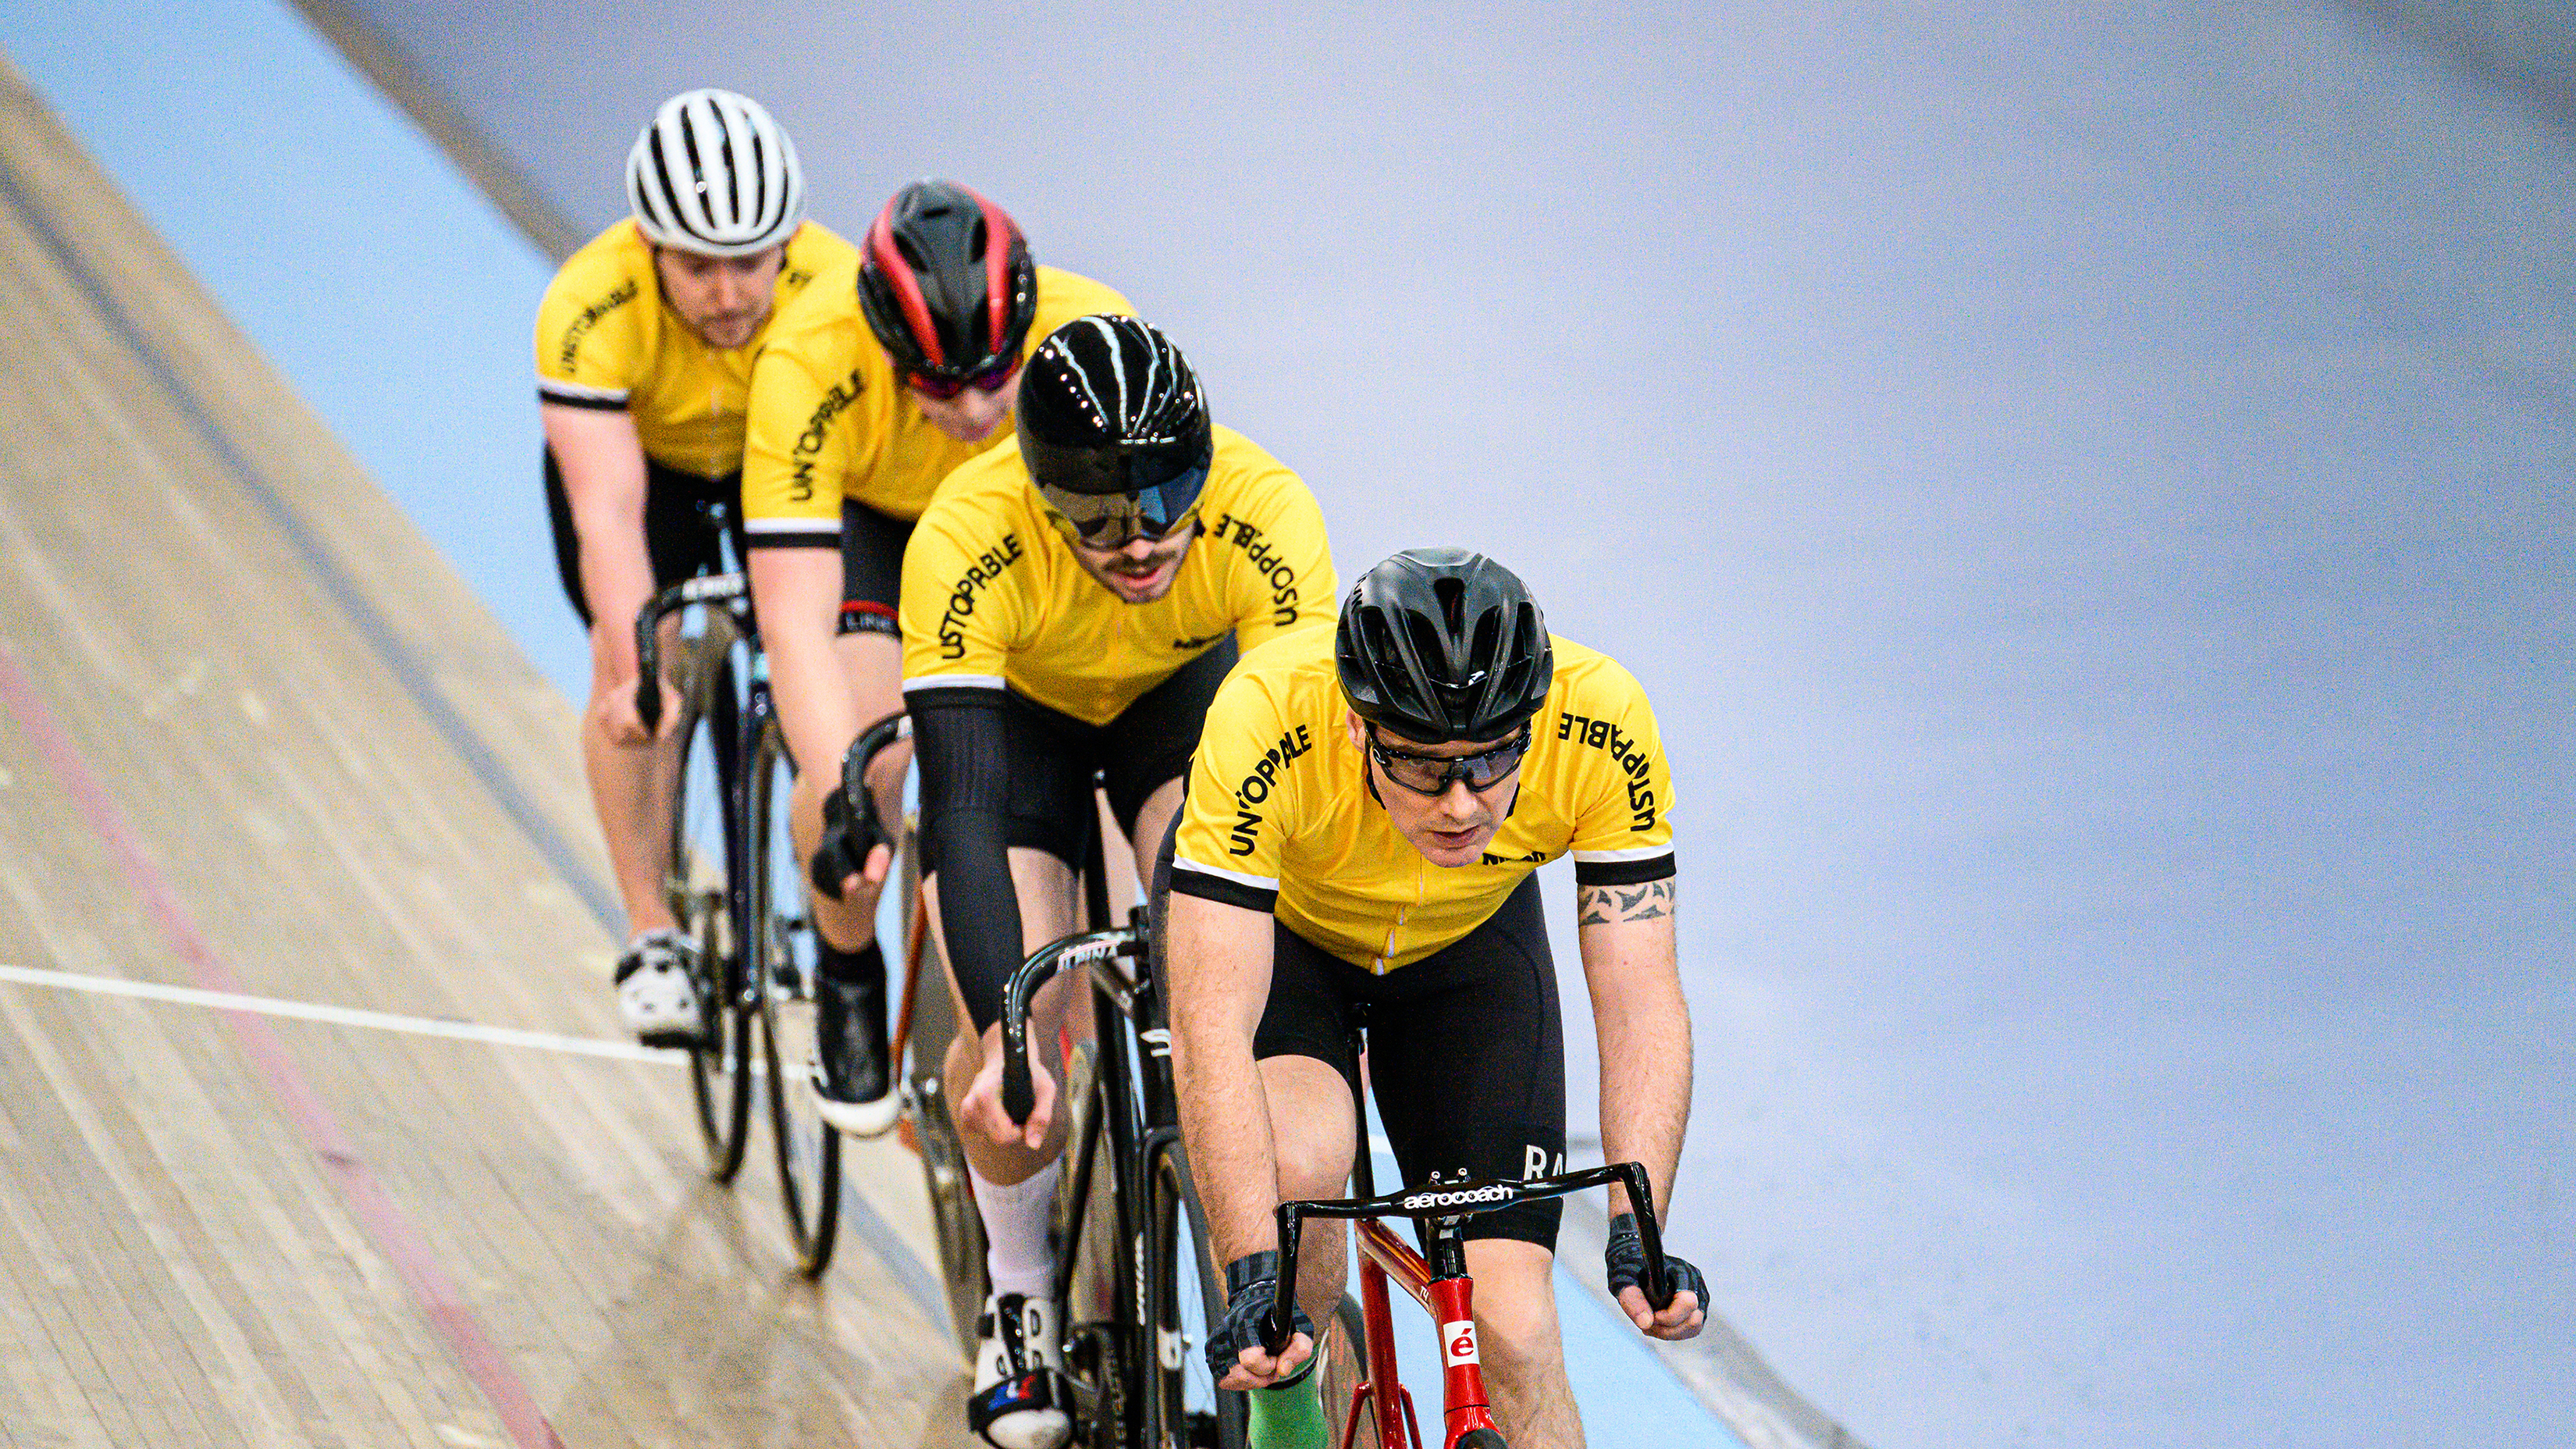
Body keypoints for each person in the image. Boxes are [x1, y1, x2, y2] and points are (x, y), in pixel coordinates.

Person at [898, 315, 1336, 1449]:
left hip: (1183, 710)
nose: (1141, 542)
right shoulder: (964, 535)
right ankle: (1020, 1286)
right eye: (1097, 519)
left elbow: (1299, 772)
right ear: (1040, 496)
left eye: (1166, 499)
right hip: (1023, 733)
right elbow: (962, 807)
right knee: (1024, 1024)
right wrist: (1005, 1029)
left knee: (1216, 968)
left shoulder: (1267, 511)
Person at [1162, 548, 1710, 1449]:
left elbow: (1641, 995)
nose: (1460, 802)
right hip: (1289, 942)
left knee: (1521, 1331)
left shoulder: (1605, 718)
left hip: (1466, 951)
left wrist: (1637, 1223)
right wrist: (1254, 1269)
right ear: (1355, 727)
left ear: (1532, 724)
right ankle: (1287, 1415)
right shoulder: (1264, 714)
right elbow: (1210, 1026)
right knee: (1300, 1174)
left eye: (1492, 760)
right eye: (1421, 764)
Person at [740, 181, 1132, 1137]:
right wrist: (839, 791)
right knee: (868, 758)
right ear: (883, 347)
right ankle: (847, 972)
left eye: (994, 376)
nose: (971, 404)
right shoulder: (806, 357)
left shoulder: (1093, 330)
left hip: (1026, 532)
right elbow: (793, 621)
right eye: (937, 383)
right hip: (886, 524)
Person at [533, 87, 853, 1045]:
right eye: (699, 266)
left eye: (750, 262)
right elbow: (607, 512)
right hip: (652, 469)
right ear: (648, 246)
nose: (728, 294)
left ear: (788, 244)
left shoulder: (838, 289)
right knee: (640, 659)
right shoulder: (589, 304)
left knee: (833, 649)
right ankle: (651, 929)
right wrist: (635, 663)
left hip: (781, 464)